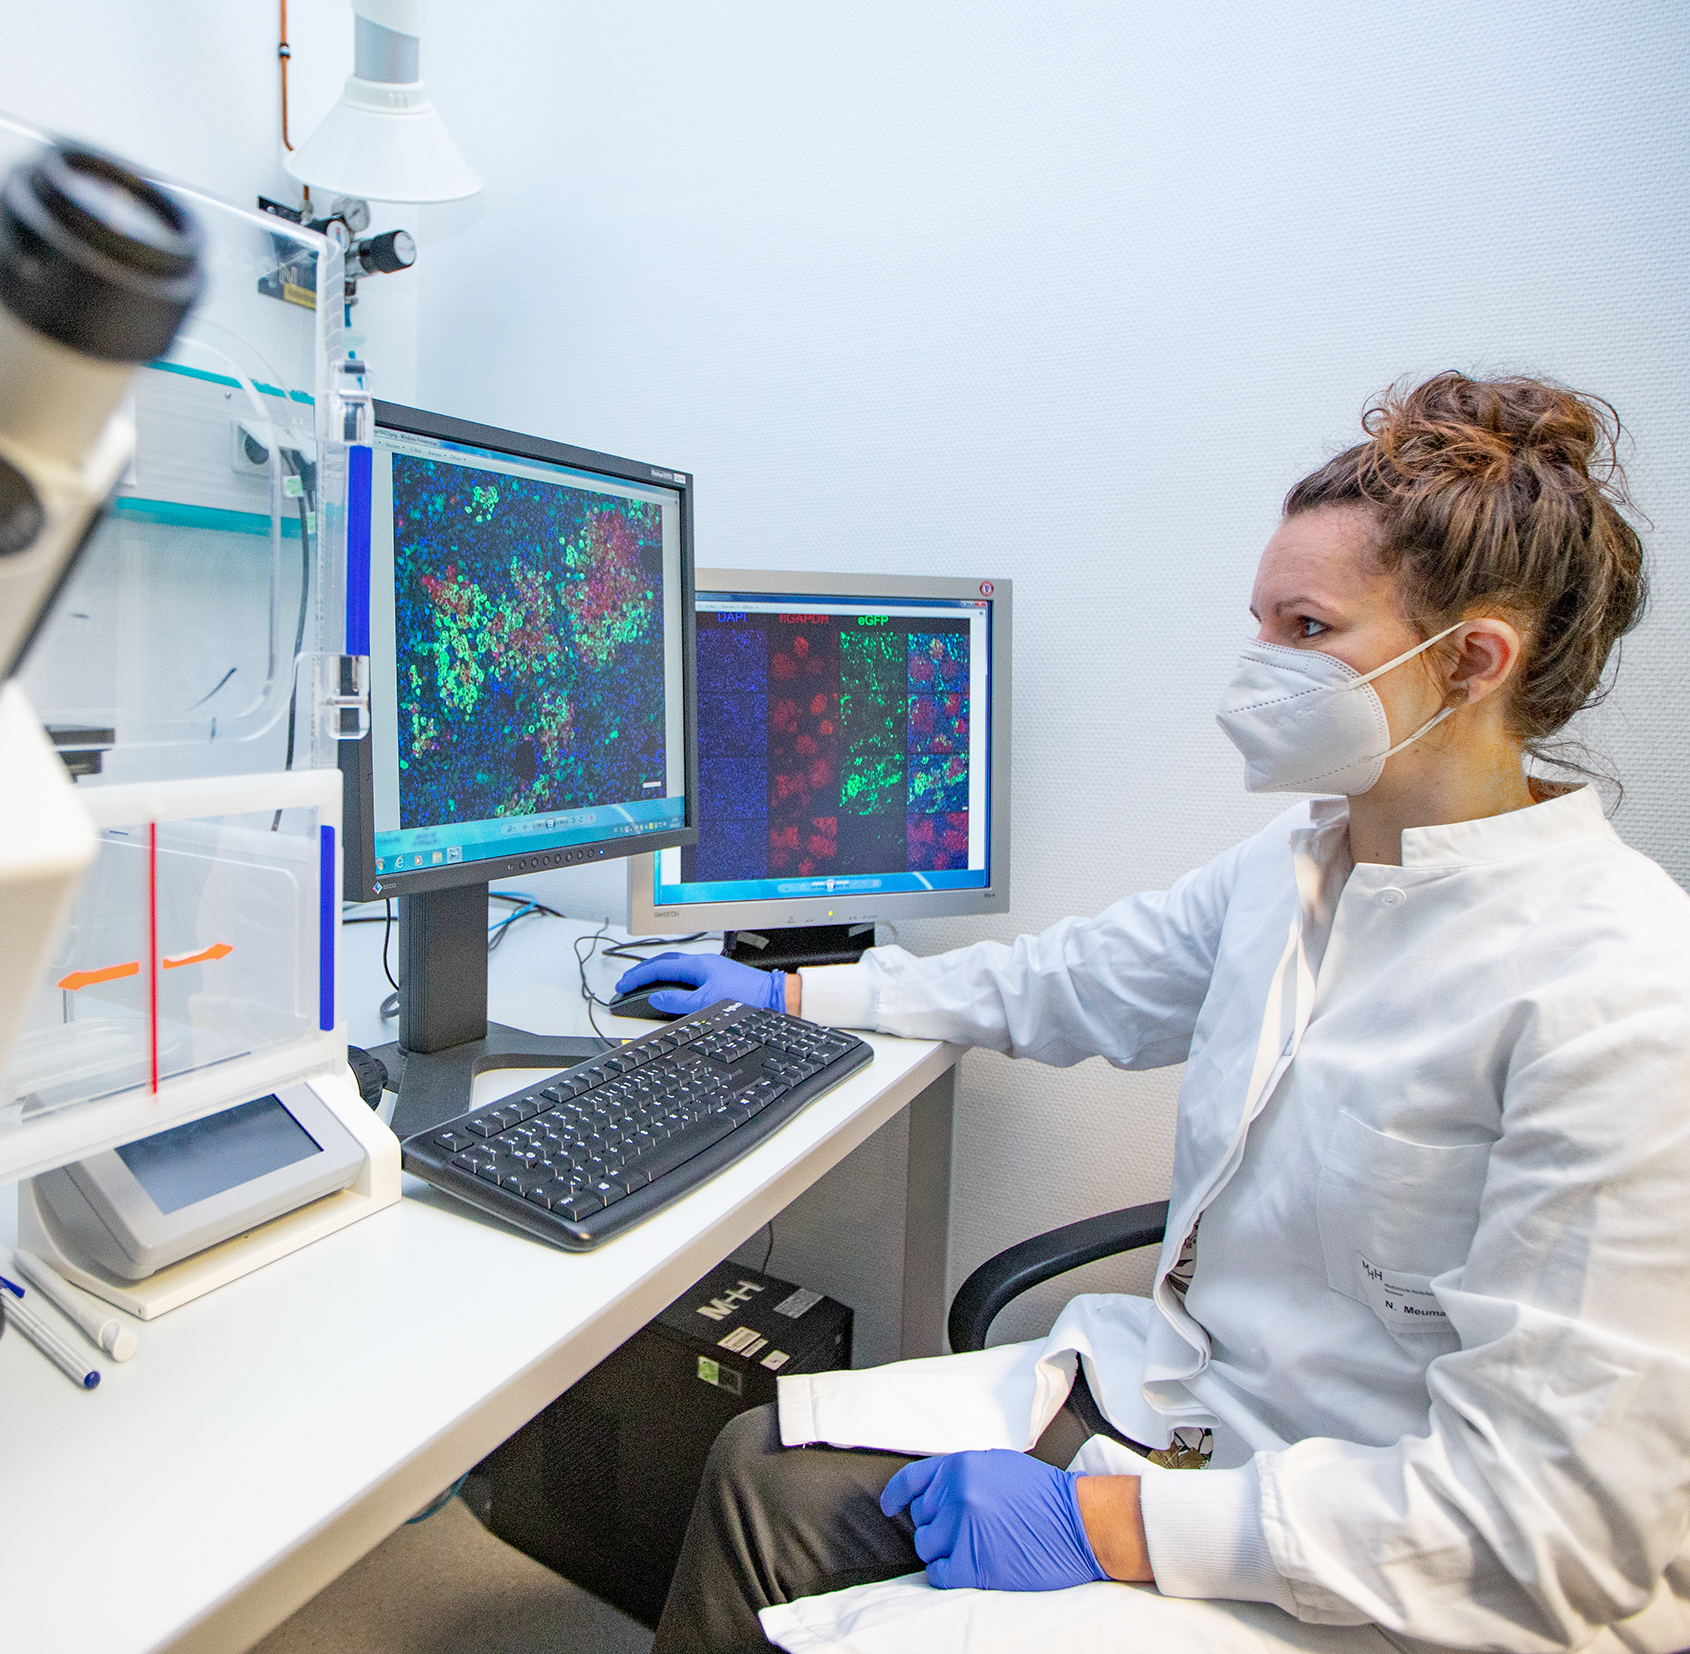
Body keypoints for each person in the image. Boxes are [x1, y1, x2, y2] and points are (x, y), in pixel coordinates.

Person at [617, 373, 1690, 1654]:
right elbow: (1067, 979)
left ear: (1468, 661)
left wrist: (1108, 1529)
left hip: (1385, 1558)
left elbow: (1557, 1527)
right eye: (1260, 625)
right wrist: (794, 992)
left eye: (1305, 629)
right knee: (758, 1465)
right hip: (1203, 1414)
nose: (1259, 669)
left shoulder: (1615, 989)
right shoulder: (1302, 867)